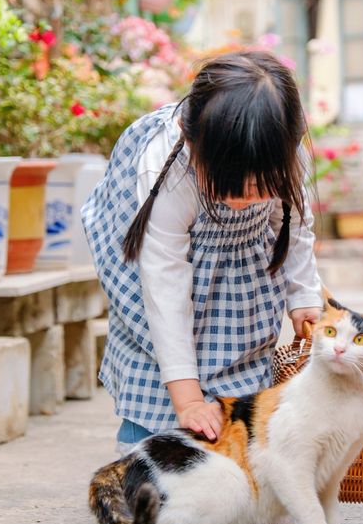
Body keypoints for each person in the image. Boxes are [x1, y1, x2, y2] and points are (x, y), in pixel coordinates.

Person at [81, 50, 323, 453]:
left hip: (237, 276)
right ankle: (139, 452)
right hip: (157, 269)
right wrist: (188, 398)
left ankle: (231, 456)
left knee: (242, 370)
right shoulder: (169, 167)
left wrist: (303, 296)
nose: (246, 201)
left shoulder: (283, 149)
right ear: (197, 148)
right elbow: (165, 286)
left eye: (261, 189)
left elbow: (294, 226)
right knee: (157, 362)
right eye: (231, 188)